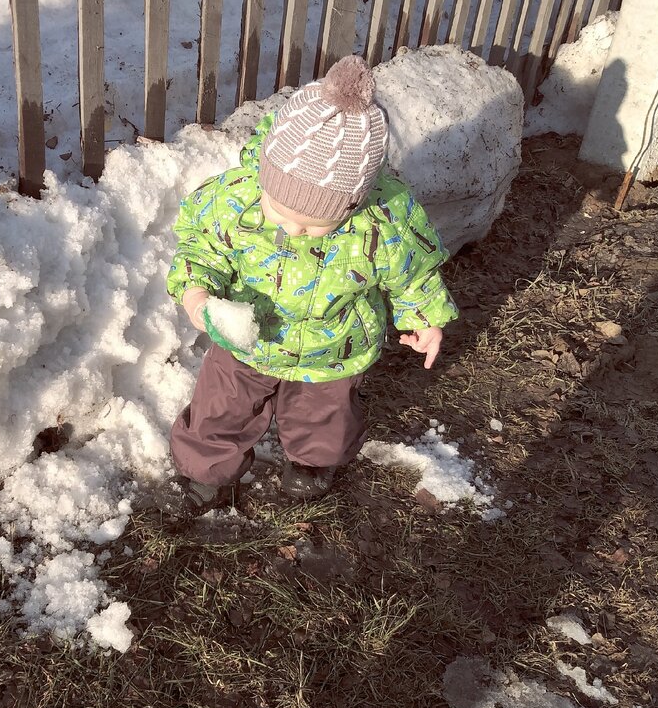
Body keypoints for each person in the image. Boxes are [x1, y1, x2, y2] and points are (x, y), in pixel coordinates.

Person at [166, 54, 458, 507]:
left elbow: (412, 273)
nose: (296, 228)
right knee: (219, 409)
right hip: (247, 338)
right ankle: (207, 468)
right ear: (264, 176)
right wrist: (198, 294)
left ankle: (311, 461)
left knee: (324, 416)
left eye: (316, 223)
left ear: (352, 204)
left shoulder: (381, 219)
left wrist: (424, 318)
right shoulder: (234, 201)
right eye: (280, 212)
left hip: (333, 346)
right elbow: (199, 250)